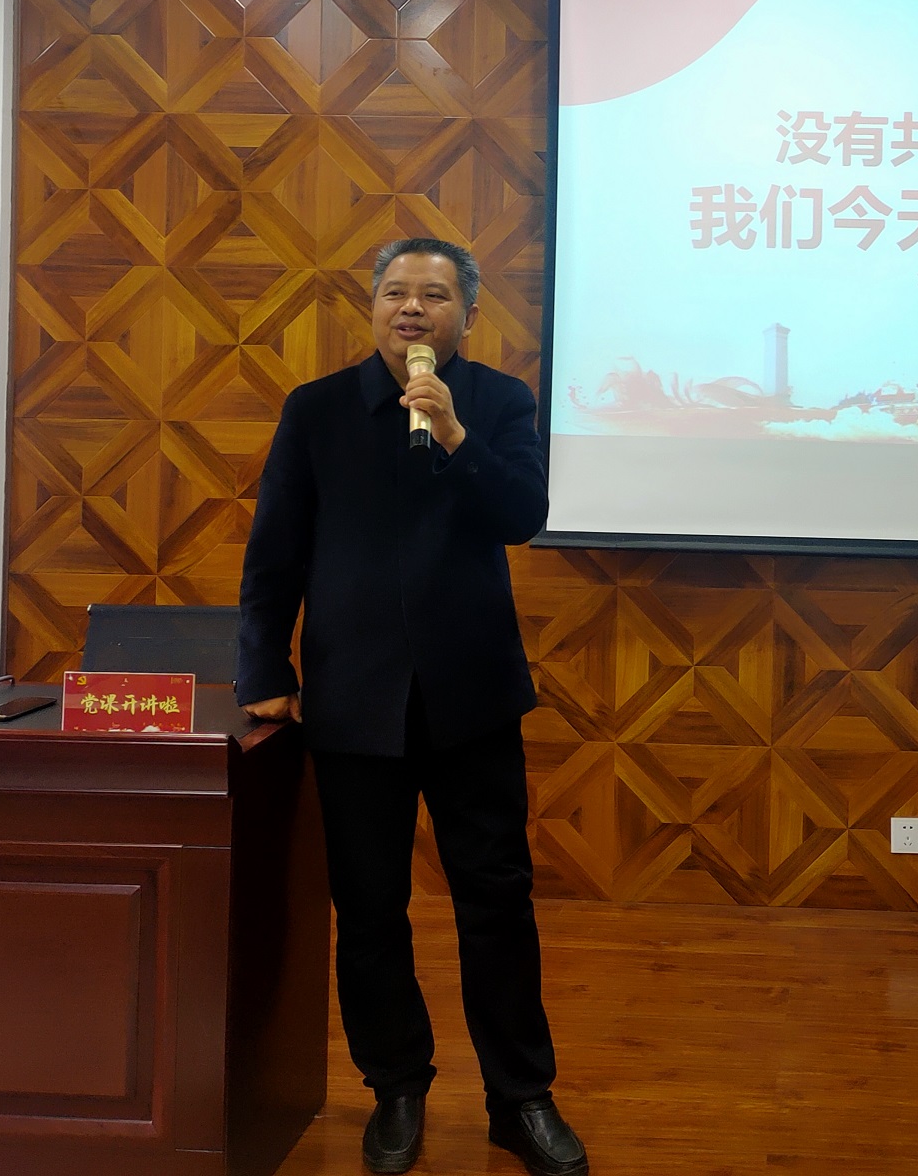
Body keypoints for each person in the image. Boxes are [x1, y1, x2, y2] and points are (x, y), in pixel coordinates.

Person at [237, 237, 587, 1176]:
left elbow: (521, 516)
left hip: (472, 700)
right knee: (369, 910)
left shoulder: (500, 404)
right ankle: (396, 1087)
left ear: (467, 314)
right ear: (374, 307)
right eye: (395, 291)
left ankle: (521, 1097)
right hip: (354, 701)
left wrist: (457, 436)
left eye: (433, 294)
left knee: (497, 903)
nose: (411, 308)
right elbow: (274, 552)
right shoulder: (316, 410)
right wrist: (263, 664)